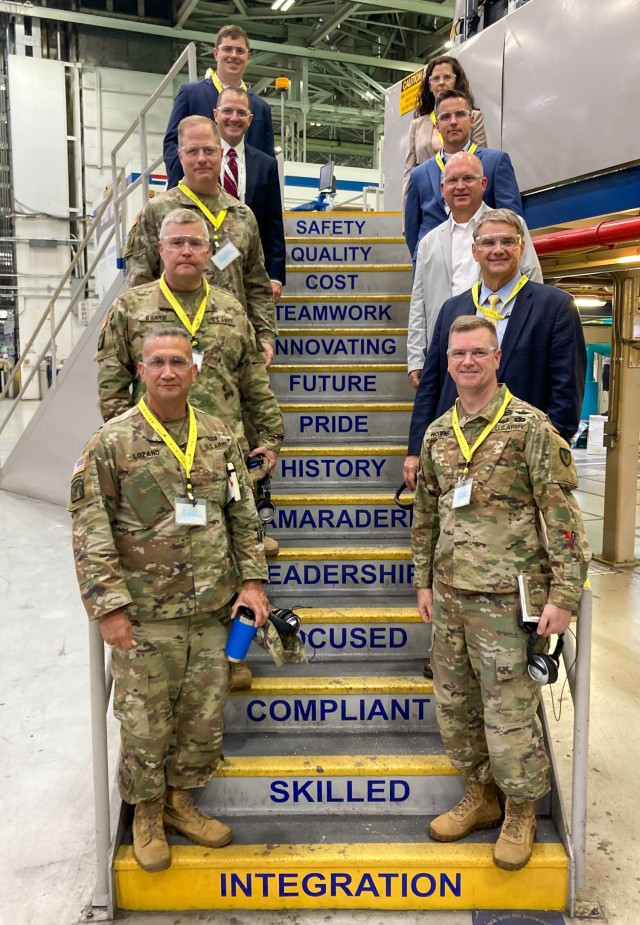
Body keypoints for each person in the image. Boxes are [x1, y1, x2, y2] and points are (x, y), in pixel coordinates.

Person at [70, 327, 270, 873]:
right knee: (145, 724)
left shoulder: (220, 436)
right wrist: (108, 608)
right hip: (144, 615)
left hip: (210, 609)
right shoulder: (111, 442)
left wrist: (251, 582)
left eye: (178, 362)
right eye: (156, 361)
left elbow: (242, 513)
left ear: (195, 371)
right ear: (139, 369)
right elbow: (90, 528)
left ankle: (183, 804)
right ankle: (147, 813)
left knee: (203, 717)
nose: (167, 372)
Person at [412, 314, 589, 871]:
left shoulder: (529, 428)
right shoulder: (439, 433)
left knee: (509, 712)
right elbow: (425, 516)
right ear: (447, 362)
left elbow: (561, 517)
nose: (467, 362)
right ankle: (480, 795)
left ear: (497, 358)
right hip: (451, 596)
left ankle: (519, 810)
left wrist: (565, 594)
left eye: (478, 353)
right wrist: (422, 580)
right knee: (457, 708)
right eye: (458, 354)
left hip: (510, 602)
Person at [404, 207, 586, 490]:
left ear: (521, 247)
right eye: (488, 243)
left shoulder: (555, 307)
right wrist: (416, 449)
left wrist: (547, 454)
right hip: (454, 451)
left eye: (507, 241)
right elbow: (432, 384)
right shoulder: (452, 308)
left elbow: (566, 392)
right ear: (475, 251)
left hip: (520, 458)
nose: (497, 250)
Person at [125, 115, 276, 368]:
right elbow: (138, 286)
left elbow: (256, 284)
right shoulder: (157, 212)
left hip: (231, 353)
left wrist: (265, 335)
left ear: (220, 153)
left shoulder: (242, 216)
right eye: (192, 151)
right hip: (171, 358)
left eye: (208, 150)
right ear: (180, 156)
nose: (201, 159)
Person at [407, 153, 542, 389]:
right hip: (447, 356)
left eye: (468, 178)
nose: (460, 187)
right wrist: (416, 359)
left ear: (483, 184)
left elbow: (533, 284)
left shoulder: (511, 227)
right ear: (442, 188)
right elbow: (419, 302)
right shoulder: (429, 242)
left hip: (499, 354)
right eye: (453, 180)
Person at [404, 90, 523, 261]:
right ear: (437, 126)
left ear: (472, 120)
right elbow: (412, 230)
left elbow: (512, 221)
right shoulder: (419, 175)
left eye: (460, 114)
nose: (453, 122)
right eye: (445, 117)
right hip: (433, 264)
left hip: (484, 265)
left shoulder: (496, 163)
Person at [163, 24, 274, 189]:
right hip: (197, 197)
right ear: (216, 53)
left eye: (240, 51)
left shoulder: (261, 107)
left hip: (246, 201)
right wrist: (188, 181)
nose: (233, 55)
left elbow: (267, 158)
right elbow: (172, 143)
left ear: (248, 57)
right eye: (227, 49)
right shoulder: (190, 94)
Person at [214, 86, 286, 302]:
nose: (234, 118)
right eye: (227, 111)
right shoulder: (201, 160)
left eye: (241, 113)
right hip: (208, 270)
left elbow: (274, 225)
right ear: (215, 115)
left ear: (250, 119)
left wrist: (275, 276)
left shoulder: (267, 165)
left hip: (253, 270)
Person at [403, 56, 487, 204]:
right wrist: (406, 218)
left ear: (457, 81)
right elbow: (409, 173)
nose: (441, 82)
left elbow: (481, 161)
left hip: (464, 197)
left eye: (447, 77)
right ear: (429, 86)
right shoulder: (417, 125)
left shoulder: (473, 117)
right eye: (435, 78)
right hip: (428, 201)